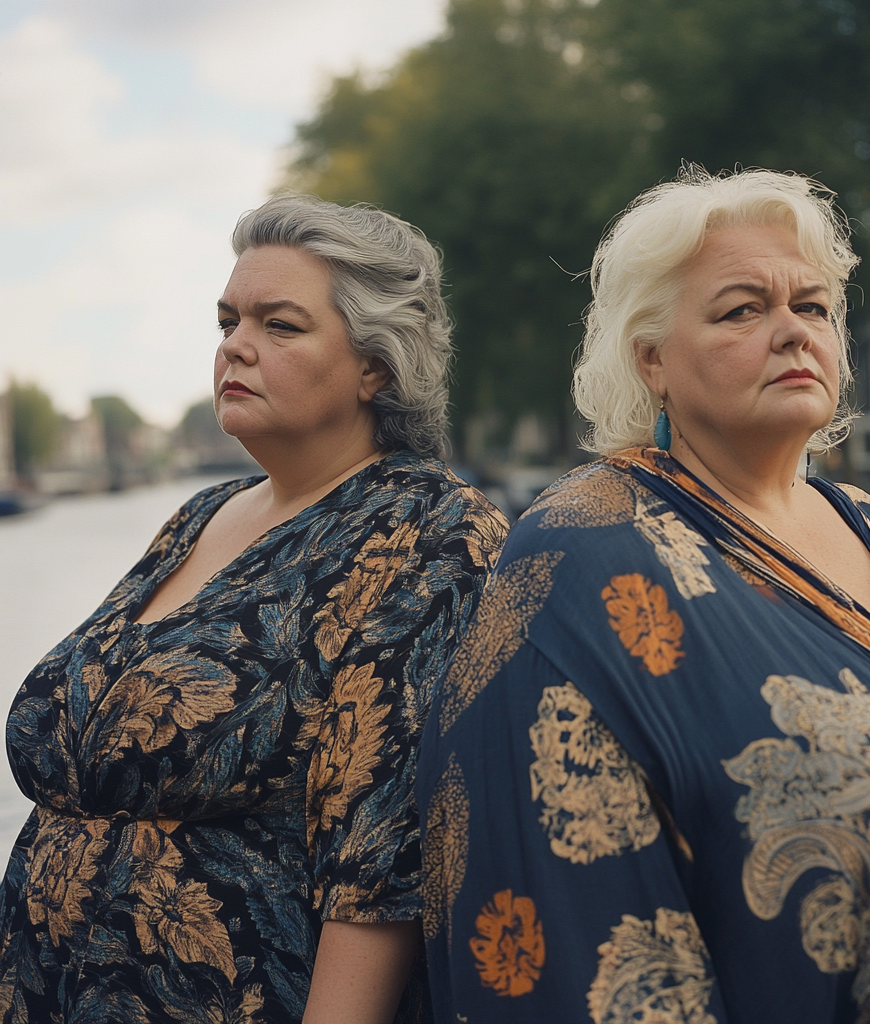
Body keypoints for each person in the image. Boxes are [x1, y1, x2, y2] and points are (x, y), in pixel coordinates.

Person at [417, 166, 870, 1023]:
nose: (792, 332)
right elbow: (575, 942)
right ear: (652, 358)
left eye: (812, 307)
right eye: (744, 309)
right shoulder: (576, 557)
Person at [0, 194, 508, 1024]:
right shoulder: (202, 514)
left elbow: (381, 866)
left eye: (281, 326)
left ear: (376, 365)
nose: (236, 345)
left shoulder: (432, 533)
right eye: (229, 320)